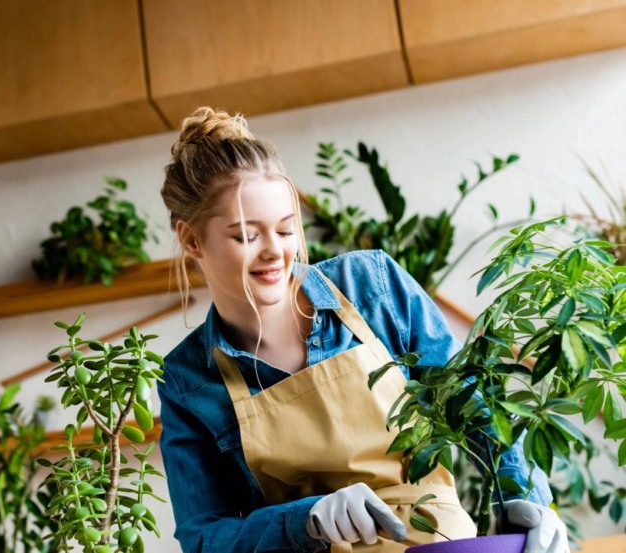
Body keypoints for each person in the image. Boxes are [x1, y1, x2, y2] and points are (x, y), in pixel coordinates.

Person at [156, 107, 569, 553]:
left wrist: (528, 499)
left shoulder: (372, 286)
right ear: (192, 240)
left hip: (436, 543)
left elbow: (470, 400)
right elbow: (202, 537)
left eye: (285, 229)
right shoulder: (186, 381)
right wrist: (308, 518)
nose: (276, 252)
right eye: (246, 236)